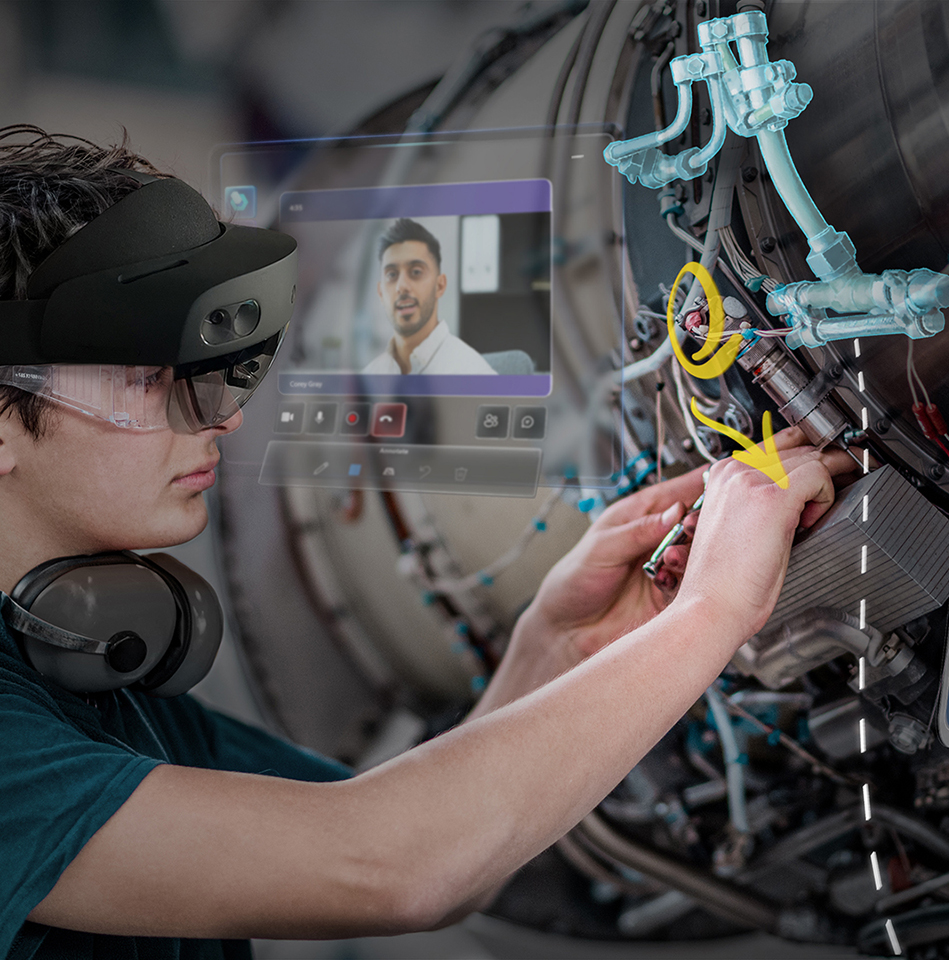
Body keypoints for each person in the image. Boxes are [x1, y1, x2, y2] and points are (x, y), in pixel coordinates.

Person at [0, 126, 857, 959]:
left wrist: (554, 645)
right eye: (147, 381)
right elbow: (388, 868)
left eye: (212, 374)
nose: (225, 415)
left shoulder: (98, 692)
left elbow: (430, 838)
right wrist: (713, 610)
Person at [361, 218, 498, 375]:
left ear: (439, 286)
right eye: (392, 274)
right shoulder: (369, 378)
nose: (401, 286)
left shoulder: (474, 373)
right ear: (380, 293)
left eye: (416, 272)